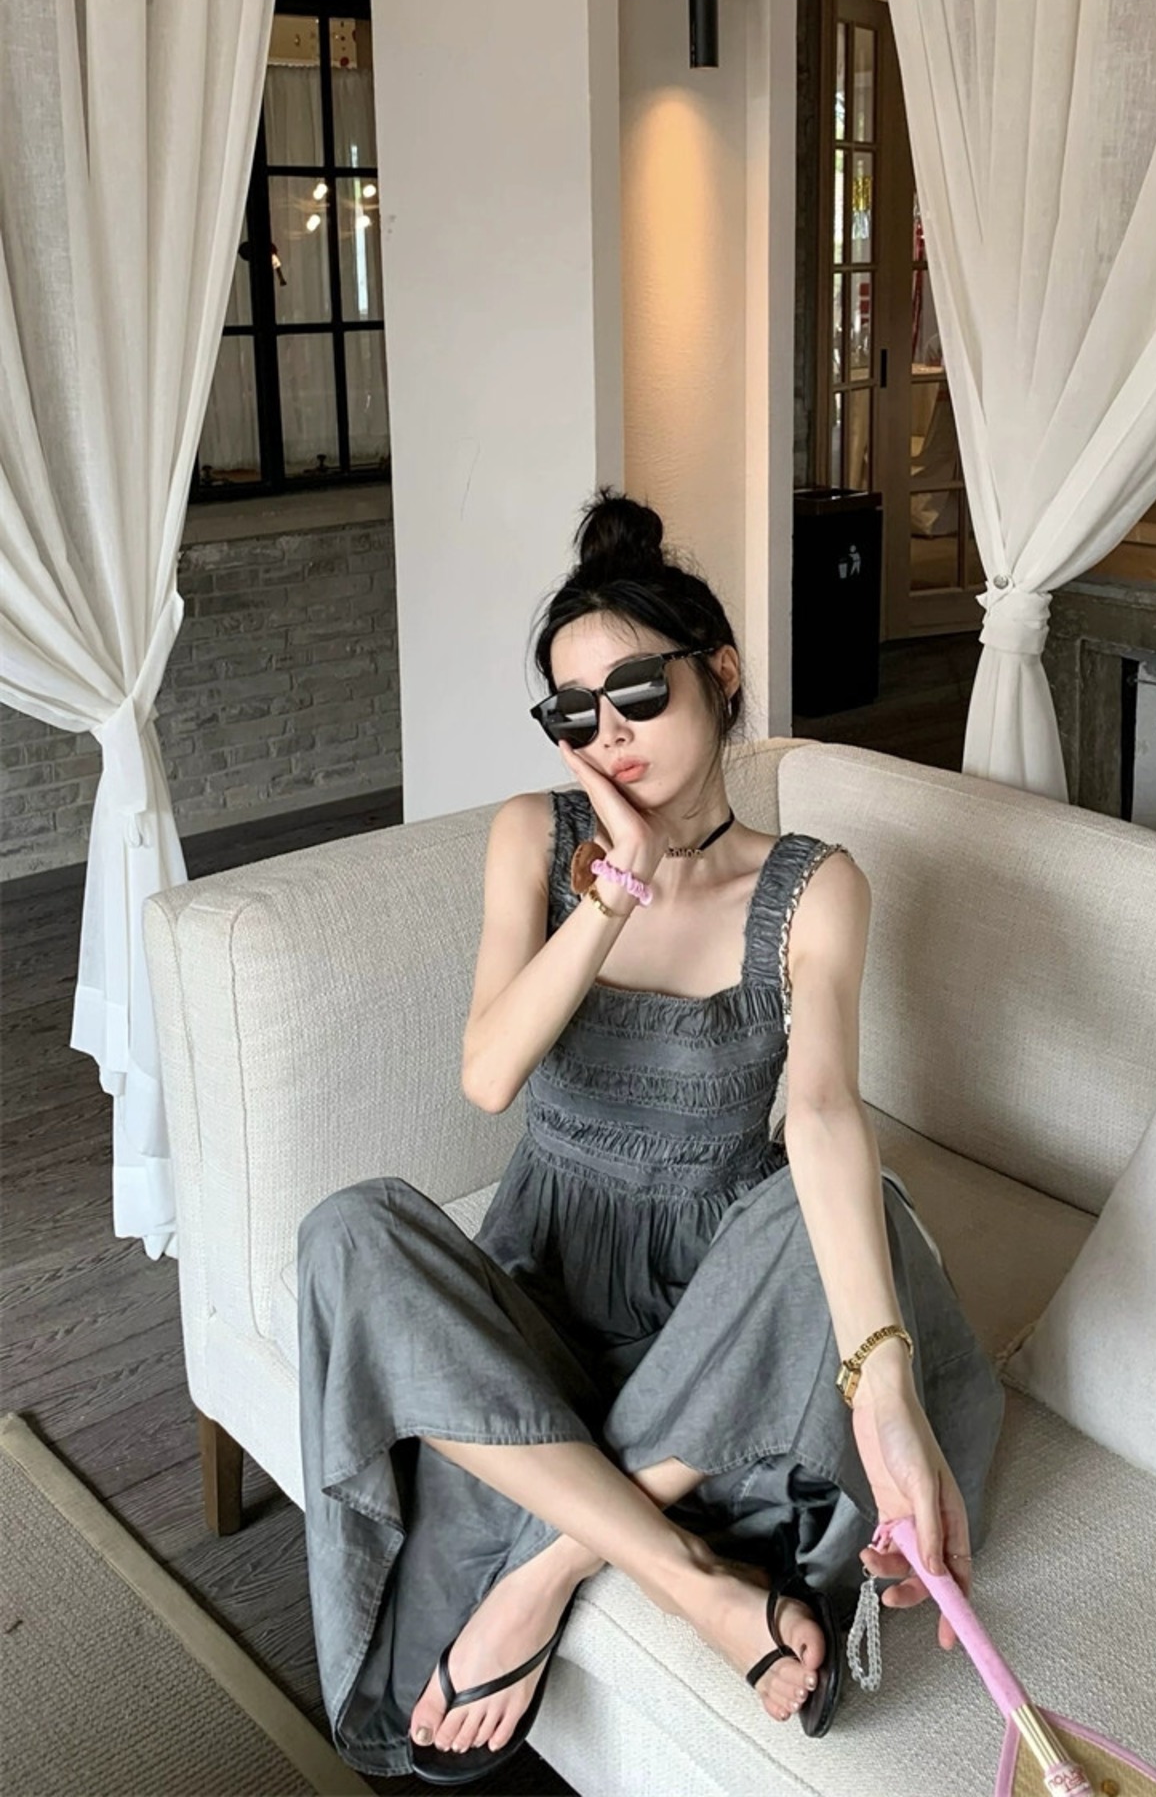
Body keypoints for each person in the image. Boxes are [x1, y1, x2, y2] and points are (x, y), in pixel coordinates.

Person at [295, 490, 1006, 1785]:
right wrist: (615, 886)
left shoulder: (814, 885)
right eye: (575, 715)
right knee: (349, 1233)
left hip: (713, 1325)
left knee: (845, 1209)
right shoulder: (536, 837)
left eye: (637, 693)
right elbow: (489, 1075)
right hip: (543, 1289)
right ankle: (688, 1573)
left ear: (719, 674)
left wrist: (885, 1387)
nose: (607, 734)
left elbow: (823, 1112)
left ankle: (554, 1558)